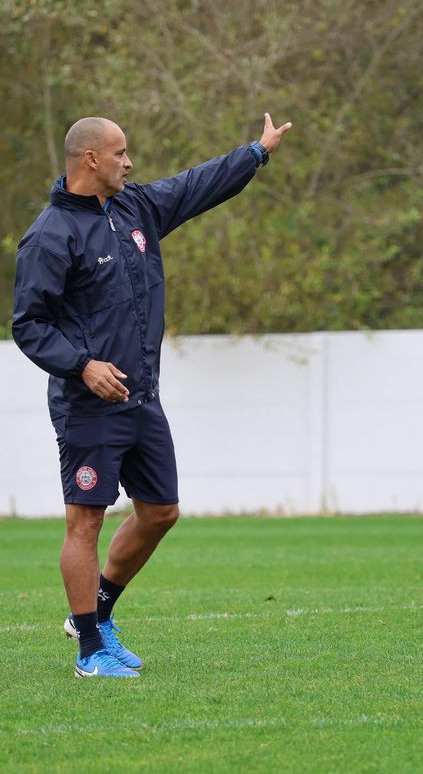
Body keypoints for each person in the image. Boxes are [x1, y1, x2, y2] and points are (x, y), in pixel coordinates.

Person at [12, 111, 292, 677]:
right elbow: (29, 324)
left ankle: (99, 614)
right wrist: (83, 366)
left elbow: (196, 185)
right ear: (91, 158)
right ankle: (90, 651)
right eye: (120, 153)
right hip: (88, 404)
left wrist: (255, 153)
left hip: (141, 397)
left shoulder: (134, 208)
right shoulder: (49, 234)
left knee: (161, 511)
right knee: (84, 522)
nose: (129, 161)